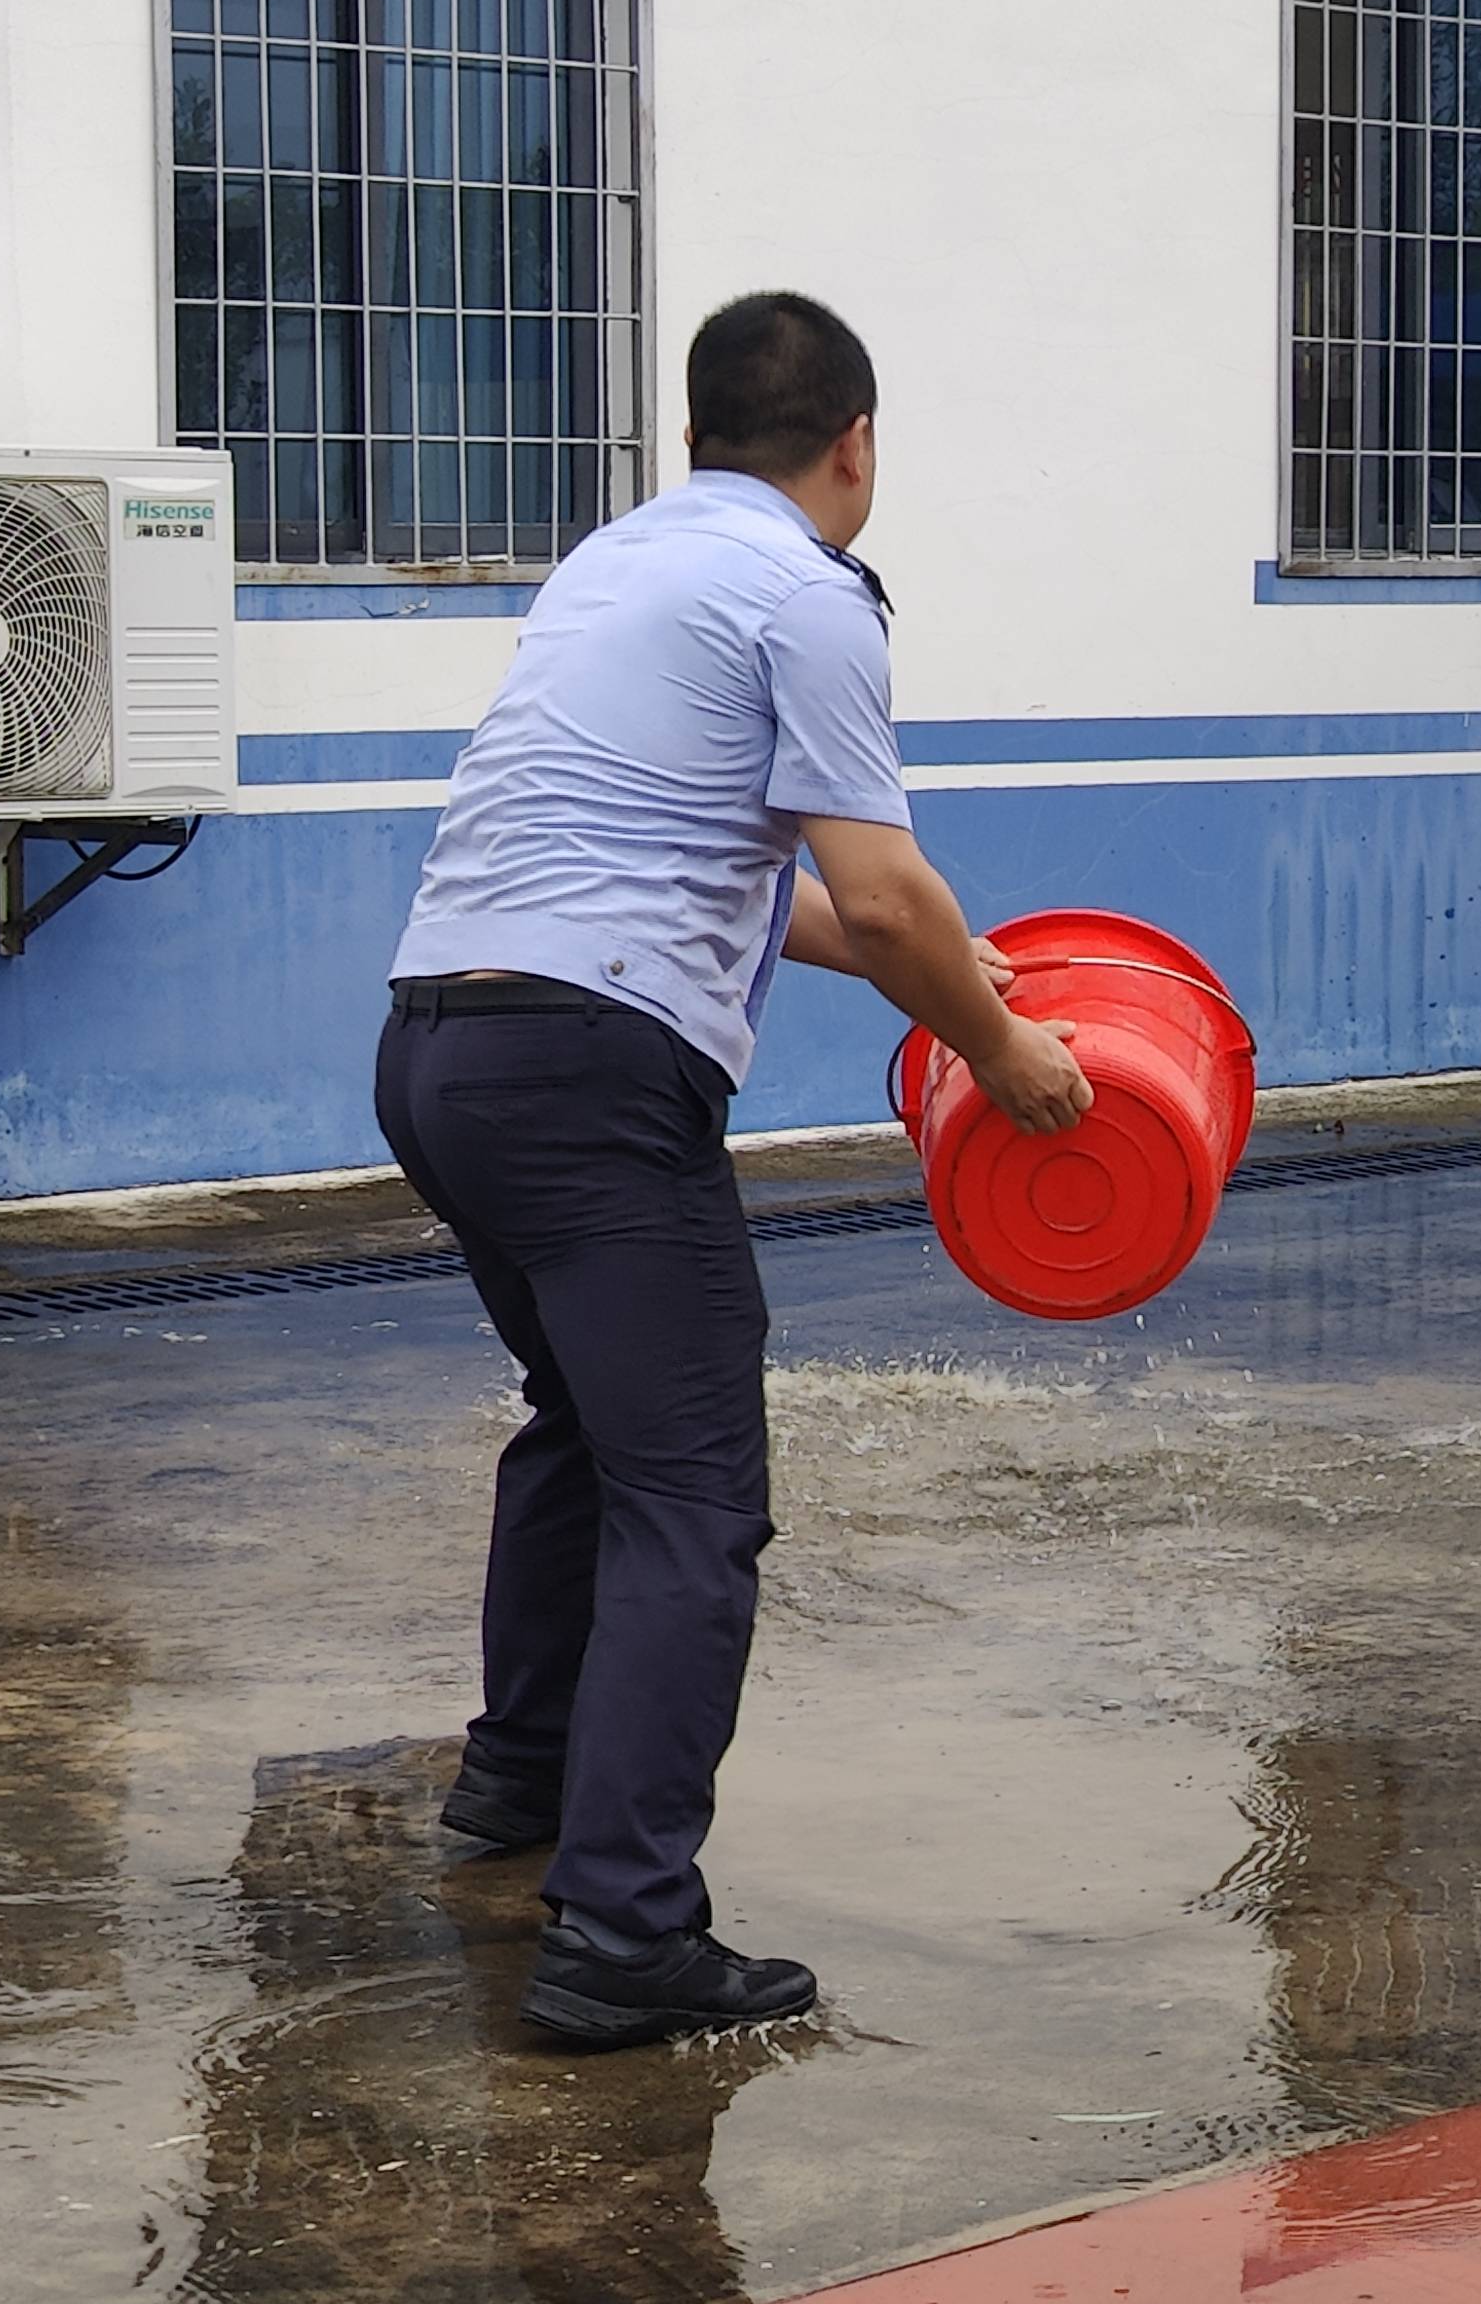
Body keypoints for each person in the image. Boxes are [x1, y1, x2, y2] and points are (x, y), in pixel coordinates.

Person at [376, 290, 1092, 2047]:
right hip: (595, 1071)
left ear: (693, 436)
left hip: (438, 1043)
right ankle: (625, 1933)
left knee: (582, 1421)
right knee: (692, 1497)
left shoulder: (618, 567)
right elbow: (886, 877)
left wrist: (946, 966)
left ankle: (518, 1786)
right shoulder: (808, 594)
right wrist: (1006, 1055)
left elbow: (744, 872)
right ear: (857, 445)